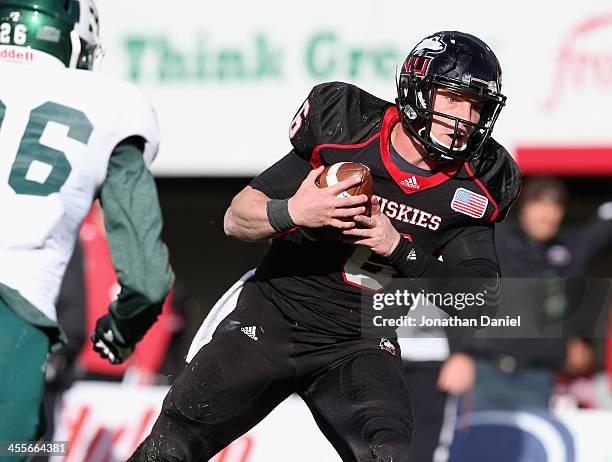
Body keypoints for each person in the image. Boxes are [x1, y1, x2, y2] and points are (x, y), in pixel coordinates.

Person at [130, 31, 521, 462]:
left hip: (359, 341)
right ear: (417, 91)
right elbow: (236, 218)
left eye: (477, 105)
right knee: (169, 449)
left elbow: (480, 298)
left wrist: (400, 248)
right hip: (273, 319)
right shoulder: (347, 127)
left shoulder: (478, 180)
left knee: (388, 453)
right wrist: (294, 212)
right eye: (453, 98)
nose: (465, 117)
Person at [0, 0, 174, 455]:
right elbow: (148, 281)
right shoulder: (109, 102)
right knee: (26, 449)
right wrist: (122, 328)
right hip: (12, 320)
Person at [448, 178, 612, 411]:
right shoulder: (495, 238)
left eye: (556, 206)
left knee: (529, 447)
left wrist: (568, 344)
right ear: (524, 208)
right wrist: (458, 353)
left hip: (537, 377)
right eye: (540, 204)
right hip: (484, 371)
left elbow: (604, 225)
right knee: (475, 445)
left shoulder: (569, 248)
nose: (548, 214)